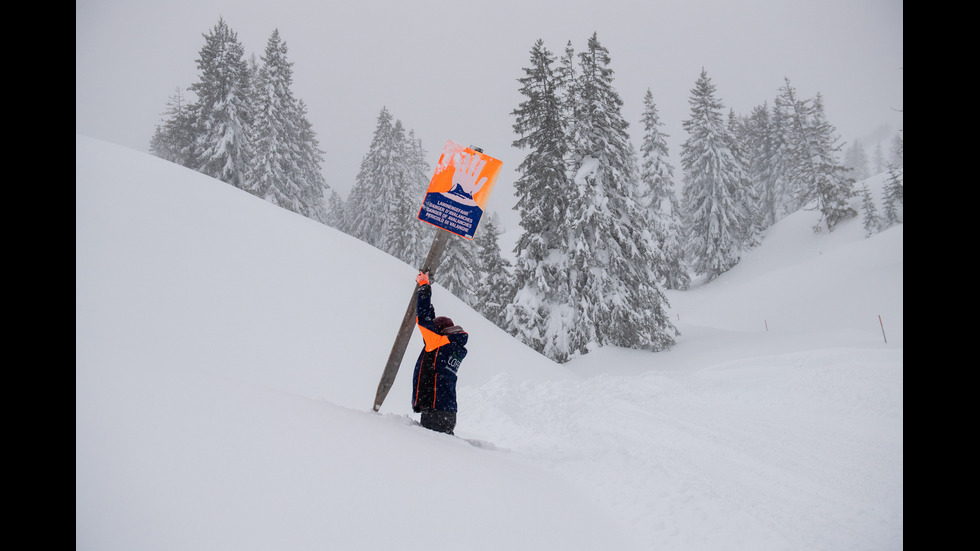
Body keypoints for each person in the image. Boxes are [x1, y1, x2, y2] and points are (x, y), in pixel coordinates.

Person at [411, 270, 468, 435]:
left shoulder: (438, 343)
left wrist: (424, 288)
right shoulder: (451, 345)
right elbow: (430, 322)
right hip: (448, 411)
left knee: (432, 452)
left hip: (435, 410)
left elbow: (423, 319)